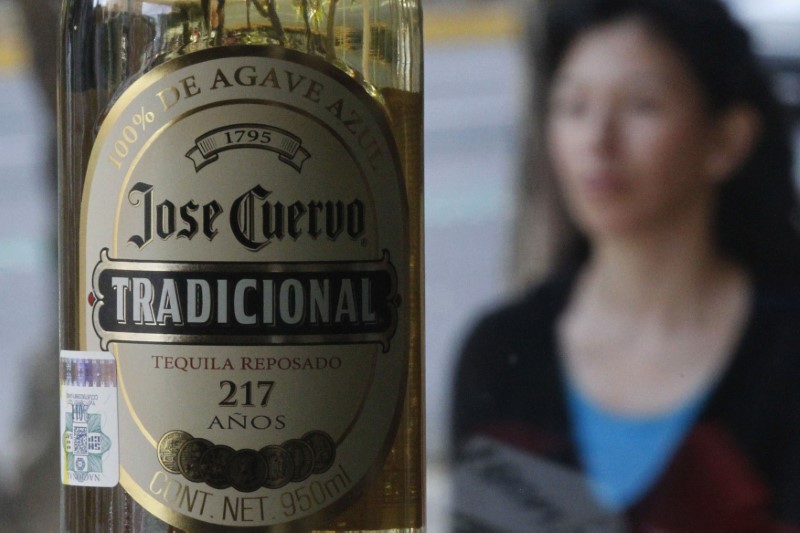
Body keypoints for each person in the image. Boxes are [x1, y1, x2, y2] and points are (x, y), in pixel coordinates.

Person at [451, 0, 800, 530]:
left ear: (727, 139)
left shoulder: (785, 355)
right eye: (573, 106)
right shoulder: (501, 353)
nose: (598, 141)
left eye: (641, 105)